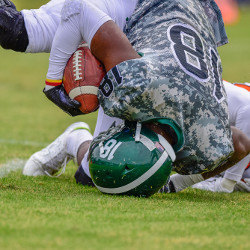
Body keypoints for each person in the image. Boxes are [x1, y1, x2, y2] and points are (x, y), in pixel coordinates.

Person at [1, 1, 249, 195]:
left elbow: (239, 145)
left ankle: (73, 140)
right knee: (14, 30)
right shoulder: (138, 84)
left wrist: (174, 184)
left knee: (93, 174)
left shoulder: (207, 138)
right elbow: (77, 9)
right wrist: (53, 82)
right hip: (139, 6)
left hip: (190, 19)